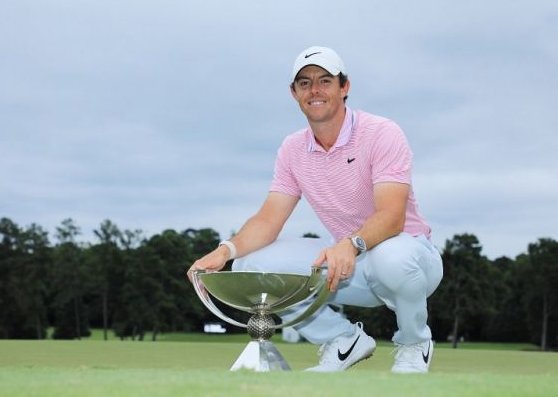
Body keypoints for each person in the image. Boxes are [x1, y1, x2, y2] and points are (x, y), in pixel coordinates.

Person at [187, 46, 443, 374]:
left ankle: (414, 343)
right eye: (305, 83)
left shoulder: (382, 132)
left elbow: (392, 217)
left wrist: (350, 245)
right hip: (350, 269)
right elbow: (268, 219)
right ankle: (342, 340)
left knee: (391, 257)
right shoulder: (293, 149)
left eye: (325, 80)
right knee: (252, 262)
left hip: (411, 261)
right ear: (294, 93)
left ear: (344, 87)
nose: (315, 90)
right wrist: (225, 251)